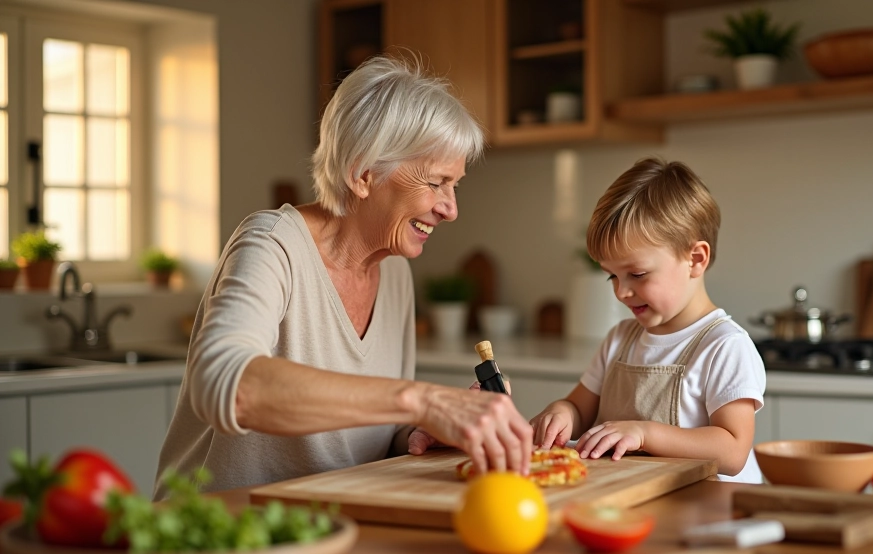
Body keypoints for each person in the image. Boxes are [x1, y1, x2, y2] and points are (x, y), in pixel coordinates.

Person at [155, 55, 533, 498]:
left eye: (455, 185)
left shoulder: (394, 272)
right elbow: (229, 385)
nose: (451, 209)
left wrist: (428, 426)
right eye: (435, 183)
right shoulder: (271, 245)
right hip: (219, 536)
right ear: (363, 174)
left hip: (332, 526)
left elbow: (375, 433)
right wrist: (425, 401)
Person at [530, 157, 765, 482]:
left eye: (637, 274)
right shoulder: (620, 339)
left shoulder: (723, 346)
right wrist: (562, 413)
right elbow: (580, 409)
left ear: (695, 259)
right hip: (635, 499)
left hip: (710, 514)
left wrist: (645, 434)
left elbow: (734, 450)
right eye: (611, 276)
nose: (622, 292)